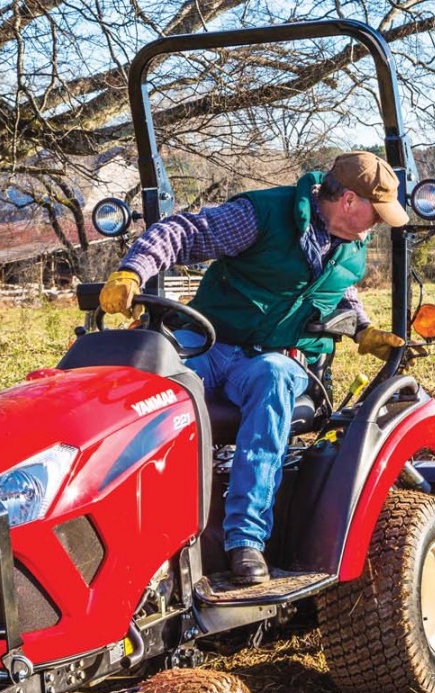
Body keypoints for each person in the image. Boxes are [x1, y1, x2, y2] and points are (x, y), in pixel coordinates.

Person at [99, 151, 407, 586]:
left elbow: (340, 290)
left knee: (274, 376)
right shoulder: (262, 215)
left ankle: (244, 540)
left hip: (271, 359)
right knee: (150, 376)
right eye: (377, 213)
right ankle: (126, 524)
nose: (379, 224)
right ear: (350, 201)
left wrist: (364, 331)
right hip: (211, 341)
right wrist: (133, 272)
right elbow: (182, 233)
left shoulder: (352, 246)